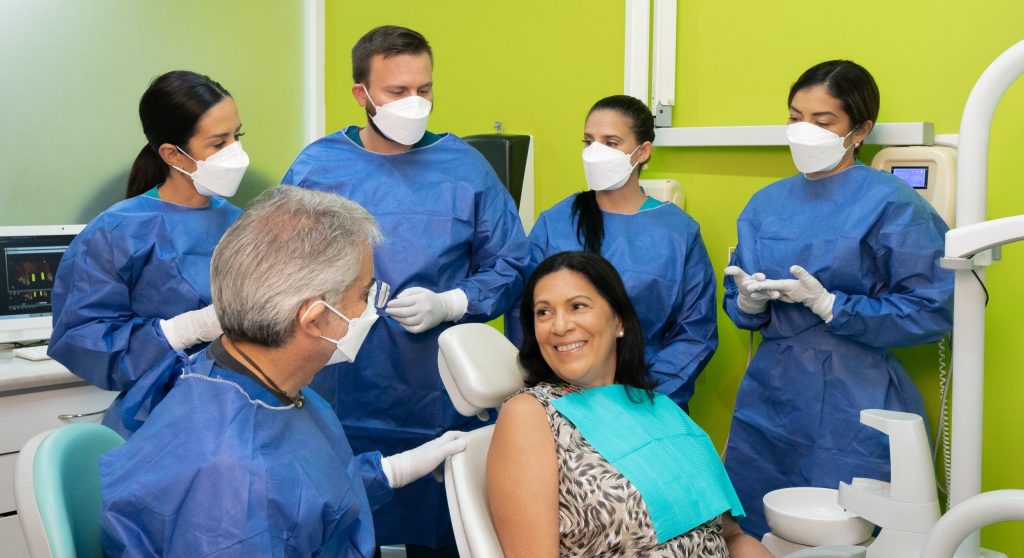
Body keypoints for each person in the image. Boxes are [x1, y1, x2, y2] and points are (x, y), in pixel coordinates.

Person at [100, 187, 469, 557]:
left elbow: (306, 490)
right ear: (315, 318)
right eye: (364, 294)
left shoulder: (240, 375)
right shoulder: (239, 489)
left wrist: (396, 469)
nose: (372, 308)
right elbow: (274, 502)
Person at [281, 25, 529, 556]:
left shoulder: (465, 168)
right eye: (397, 92)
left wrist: (454, 302)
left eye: (425, 89)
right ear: (361, 95)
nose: (415, 103)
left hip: (436, 390)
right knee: (343, 518)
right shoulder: (318, 167)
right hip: (338, 385)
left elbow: (510, 262)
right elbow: (278, 265)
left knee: (439, 528)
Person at [722, 60, 954, 537]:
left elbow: (935, 305)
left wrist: (833, 307)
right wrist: (748, 305)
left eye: (823, 122)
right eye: (795, 117)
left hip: (857, 392)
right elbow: (738, 291)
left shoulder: (892, 202)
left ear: (860, 129)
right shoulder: (765, 204)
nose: (804, 131)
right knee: (756, 524)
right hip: (772, 389)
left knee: (850, 527)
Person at [488, 251, 770, 558]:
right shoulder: (531, 414)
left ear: (619, 322)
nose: (559, 326)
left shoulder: (660, 408)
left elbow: (731, 537)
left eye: (577, 306)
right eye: (543, 312)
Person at [49, 70, 247, 438]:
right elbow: (83, 338)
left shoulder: (241, 225)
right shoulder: (117, 231)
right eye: (219, 143)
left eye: (238, 136)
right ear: (173, 154)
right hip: (159, 421)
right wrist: (186, 329)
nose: (236, 153)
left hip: (240, 410)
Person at [506, 94, 717, 409]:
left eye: (611, 142)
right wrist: (556, 388)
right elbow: (523, 314)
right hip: (563, 400)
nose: (595, 153)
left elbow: (695, 331)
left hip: (648, 401)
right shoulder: (556, 222)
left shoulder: (678, 233)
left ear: (642, 151)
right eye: (589, 141)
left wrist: (643, 397)